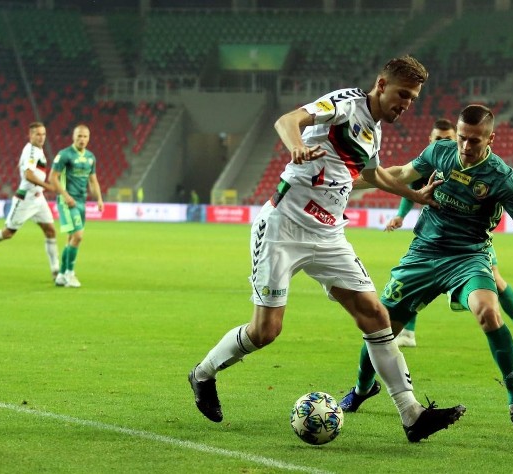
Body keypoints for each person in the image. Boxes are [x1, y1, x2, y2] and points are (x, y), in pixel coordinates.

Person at [187, 56, 466, 443]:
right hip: (284, 227)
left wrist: (415, 195)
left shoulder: (374, 131)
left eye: (413, 99)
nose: (406, 104)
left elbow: (374, 176)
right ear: (381, 85)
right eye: (403, 94)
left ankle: (412, 414)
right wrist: (298, 146)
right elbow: (286, 121)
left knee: (374, 314)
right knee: (266, 331)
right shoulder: (344, 104)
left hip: (329, 235)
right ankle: (202, 374)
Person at [341, 104, 513, 439]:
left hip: (469, 257)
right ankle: (362, 388)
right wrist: (349, 183)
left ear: (491, 138)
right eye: (462, 138)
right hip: (424, 252)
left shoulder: (502, 177)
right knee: (380, 326)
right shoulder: (440, 151)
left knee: (488, 312)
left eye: (475, 141)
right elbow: (399, 175)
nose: (466, 146)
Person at [385, 119, 513, 351]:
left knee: (496, 281)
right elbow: (410, 189)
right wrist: (400, 216)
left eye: (449, 138)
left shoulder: (484, 168)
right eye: (440, 140)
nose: (454, 144)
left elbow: (503, 196)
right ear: (431, 140)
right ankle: (408, 332)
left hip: (472, 241)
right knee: (415, 280)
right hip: (438, 235)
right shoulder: (434, 158)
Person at [0, 122, 59, 280]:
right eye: (38, 134)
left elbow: (23, 168)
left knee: (50, 231)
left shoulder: (34, 150)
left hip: (38, 198)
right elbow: (28, 175)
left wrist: (40, 187)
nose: (41, 137)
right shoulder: (31, 151)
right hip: (26, 199)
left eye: (43, 134)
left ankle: (56, 271)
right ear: (30, 135)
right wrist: (48, 186)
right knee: (8, 233)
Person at [49, 124, 104, 289]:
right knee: (78, 236)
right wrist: (65, 196)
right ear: (73, 137)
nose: (82, 139)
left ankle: (61, 275)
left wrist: (99, 199)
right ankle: (70, 274)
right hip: (67, 202)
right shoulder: (64, 155)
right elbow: (53, 178)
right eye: (79, 136)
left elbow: (93, 181)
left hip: (82, 201)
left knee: (71, 239)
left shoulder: (90, 157)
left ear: (89, 138)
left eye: (85, 136)